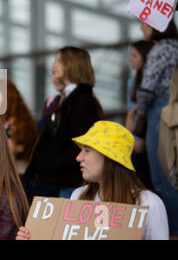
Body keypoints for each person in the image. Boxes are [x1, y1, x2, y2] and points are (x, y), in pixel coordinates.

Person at [17, 121, 169, 240]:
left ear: (110, 158)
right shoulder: (78, 195)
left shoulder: (150, 204)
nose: (78, 157)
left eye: (87, 150)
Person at [25, 46, 101, 202]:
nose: (54, 65)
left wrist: (49, 165)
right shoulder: (70, 98)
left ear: (72, 64)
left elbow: (78, 143)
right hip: (56, 181)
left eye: (59, 60)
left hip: (63, 183)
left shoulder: (82, 99)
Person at [133, 20, 178, 236]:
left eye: (145, 24)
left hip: (160, 116)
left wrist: (139, 114)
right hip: (173, 115)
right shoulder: (176, 48)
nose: (142, 28)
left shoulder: (160, 50)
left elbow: (147, 89)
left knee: (163, 181)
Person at [125, 40, 154, 189]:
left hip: (152, 137)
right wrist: (134, 138)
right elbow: (130, 114)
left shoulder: (155, 81)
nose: (131, 59)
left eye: (135, 55)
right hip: (137, 138)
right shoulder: (132, 81)